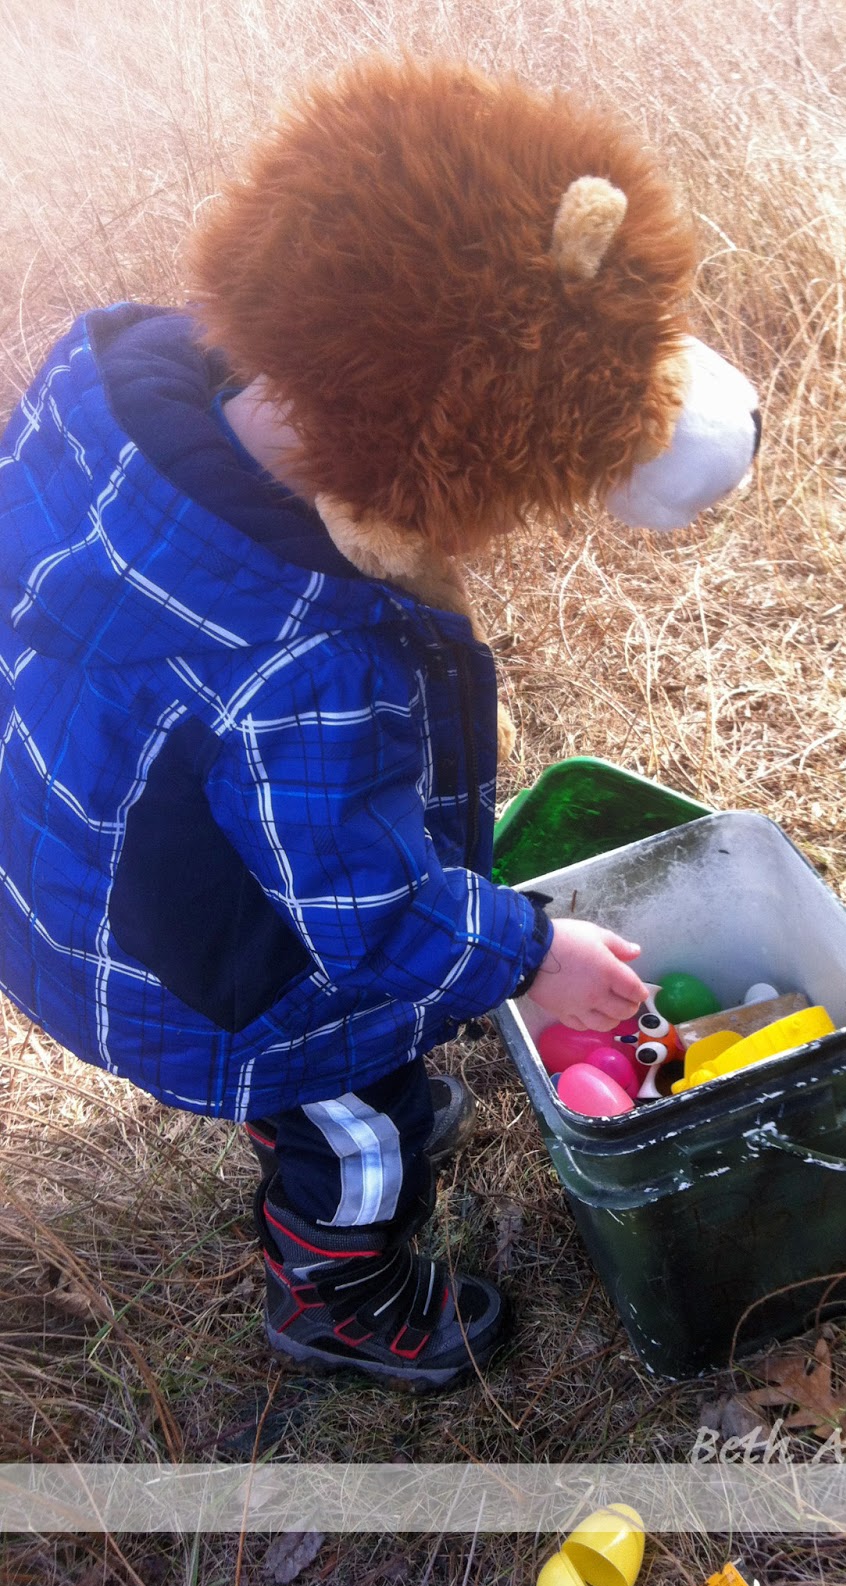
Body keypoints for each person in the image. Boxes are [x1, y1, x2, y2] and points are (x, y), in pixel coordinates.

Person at [0, 60, 758, 1392]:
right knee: (367, 1134)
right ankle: (338, 1298)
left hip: (79, 865)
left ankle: (315, 1120)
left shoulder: (118, 390)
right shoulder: (310, 656)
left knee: (346, 1069)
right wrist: (530, 954)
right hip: (198, 978)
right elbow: (366, 914)